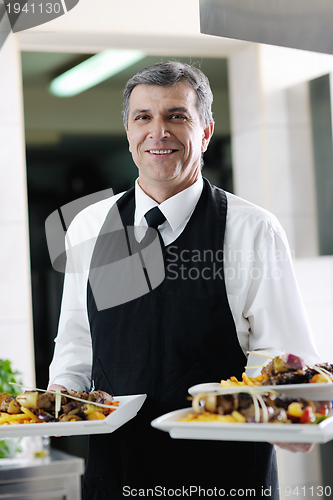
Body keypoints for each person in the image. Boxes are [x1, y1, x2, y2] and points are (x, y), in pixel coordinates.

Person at [48, 61, 321, 499]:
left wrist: (285, 414)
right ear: (128, 131)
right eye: (144, 117)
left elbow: (286, 355)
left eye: (177, 116)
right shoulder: (90, 226)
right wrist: (62, 398)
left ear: (206, 131)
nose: (159, 132)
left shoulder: (251, 229)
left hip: (225, 478)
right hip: (115, 476)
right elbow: (78, 341)